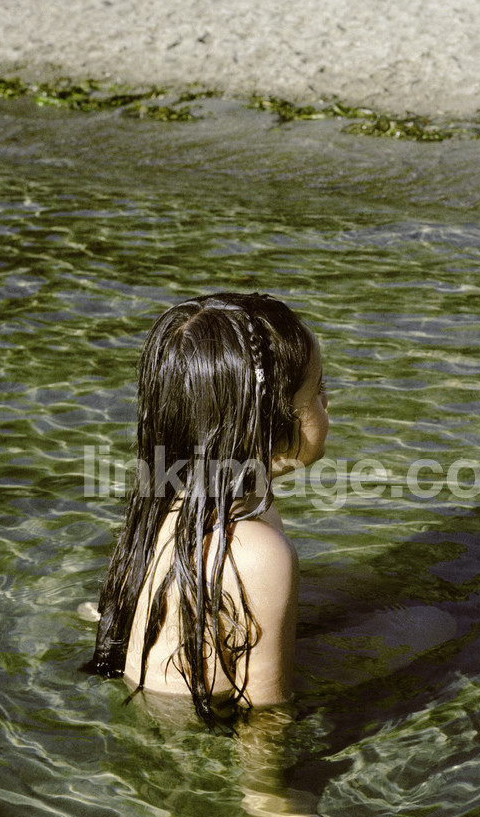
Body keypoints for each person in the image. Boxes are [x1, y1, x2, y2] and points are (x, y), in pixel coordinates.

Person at [84, 292, 329, 728]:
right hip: (196, 731)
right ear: (266, 424)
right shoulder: (258, 552)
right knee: (425, 631)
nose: (328, 403)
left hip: (158, 709)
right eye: (318, 390)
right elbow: (264, 718)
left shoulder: (168, 501)